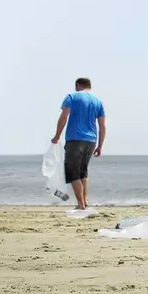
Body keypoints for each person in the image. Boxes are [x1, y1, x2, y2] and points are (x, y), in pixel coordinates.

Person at [50, 77, 106, 211]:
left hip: (75, 139)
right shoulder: (98, 102)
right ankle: (84, 202)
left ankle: (81, 204)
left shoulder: (71, 97)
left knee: (73, 173)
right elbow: (102, 126)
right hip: (91, 141)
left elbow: (64, 117)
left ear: (78, 85)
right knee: (83, 172)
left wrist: (57, 136)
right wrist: (100, 146)